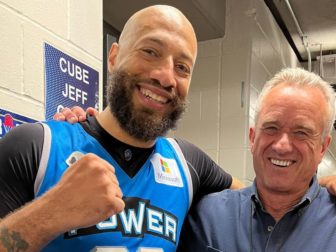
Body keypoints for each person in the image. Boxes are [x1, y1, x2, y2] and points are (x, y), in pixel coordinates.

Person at [0, 5, 244, 252]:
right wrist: (50, 211)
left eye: (182, 67)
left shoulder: (188, 163)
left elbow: (256, 198)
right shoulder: (35, 147)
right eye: (150, 51)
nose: (166, 78)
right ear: (114, 57)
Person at [177, 67, 336, 252]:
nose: (282, 146)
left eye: (301, 133)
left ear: (323, 147)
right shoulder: (204, 217)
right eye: (271, 128)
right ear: (252, 137)